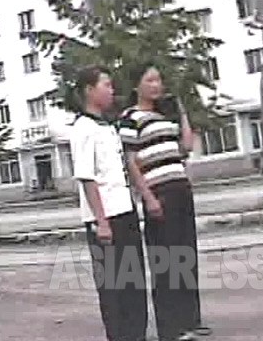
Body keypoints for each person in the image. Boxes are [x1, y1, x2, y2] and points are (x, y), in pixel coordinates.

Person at [118, 63, 210, 341]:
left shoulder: (164, 117)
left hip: (181, 188)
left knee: (186, 255)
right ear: (138, 86)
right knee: (166, 260)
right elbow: (130, 161)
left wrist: (180, 109)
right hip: (158, 193)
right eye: (151, 80)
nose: (157, 85)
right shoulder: (130, 118)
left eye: (159, 79)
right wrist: (148, 197)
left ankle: (190, 320)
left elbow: (187, 146)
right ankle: (170, 327)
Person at [69, 65, 148, 341]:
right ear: (89, 90)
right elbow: (87, 179)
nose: (111, 90)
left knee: (134, 283)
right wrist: (102, 223)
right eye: (106, 85)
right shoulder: (83, 128)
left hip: (125, 212)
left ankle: (137, 334)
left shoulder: (108, 126)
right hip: (105, 220)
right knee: (113, 287)